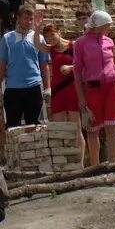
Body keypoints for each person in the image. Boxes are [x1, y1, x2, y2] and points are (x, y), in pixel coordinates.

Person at [73, 10, 115, 166]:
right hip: (93, 87)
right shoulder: (81, 43)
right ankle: (95, 167)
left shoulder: (109, 42)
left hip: (113, 85)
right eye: (107, 25)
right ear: (98, 26)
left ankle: (113, 167)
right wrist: (81, 97)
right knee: (93, 129)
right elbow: (77, 70)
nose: (109, 28)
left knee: (113, 128)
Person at [34, 21, 85, 166]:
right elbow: (38, 45)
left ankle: (79, 163)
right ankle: (62, 162)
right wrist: (37, 29)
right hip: (58, 90)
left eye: (52, 35)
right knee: (59, 127)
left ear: (59, 32)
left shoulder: (73, 45)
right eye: (48, 37)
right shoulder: (51, 49)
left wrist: (70, 67)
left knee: (76, 127)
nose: (51, 39)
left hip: (72, 87)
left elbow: (83, 64)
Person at [0, 5, 51, 127]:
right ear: (18, 18)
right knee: (12, 127)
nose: (29, 22)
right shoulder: (7, 38)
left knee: (34, 126)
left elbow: (44, 64)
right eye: (26, 18)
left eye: (31, 19)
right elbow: (1, 63)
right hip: (13, 88)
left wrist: (47, 88)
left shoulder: (38, 38)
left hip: (33, 87)